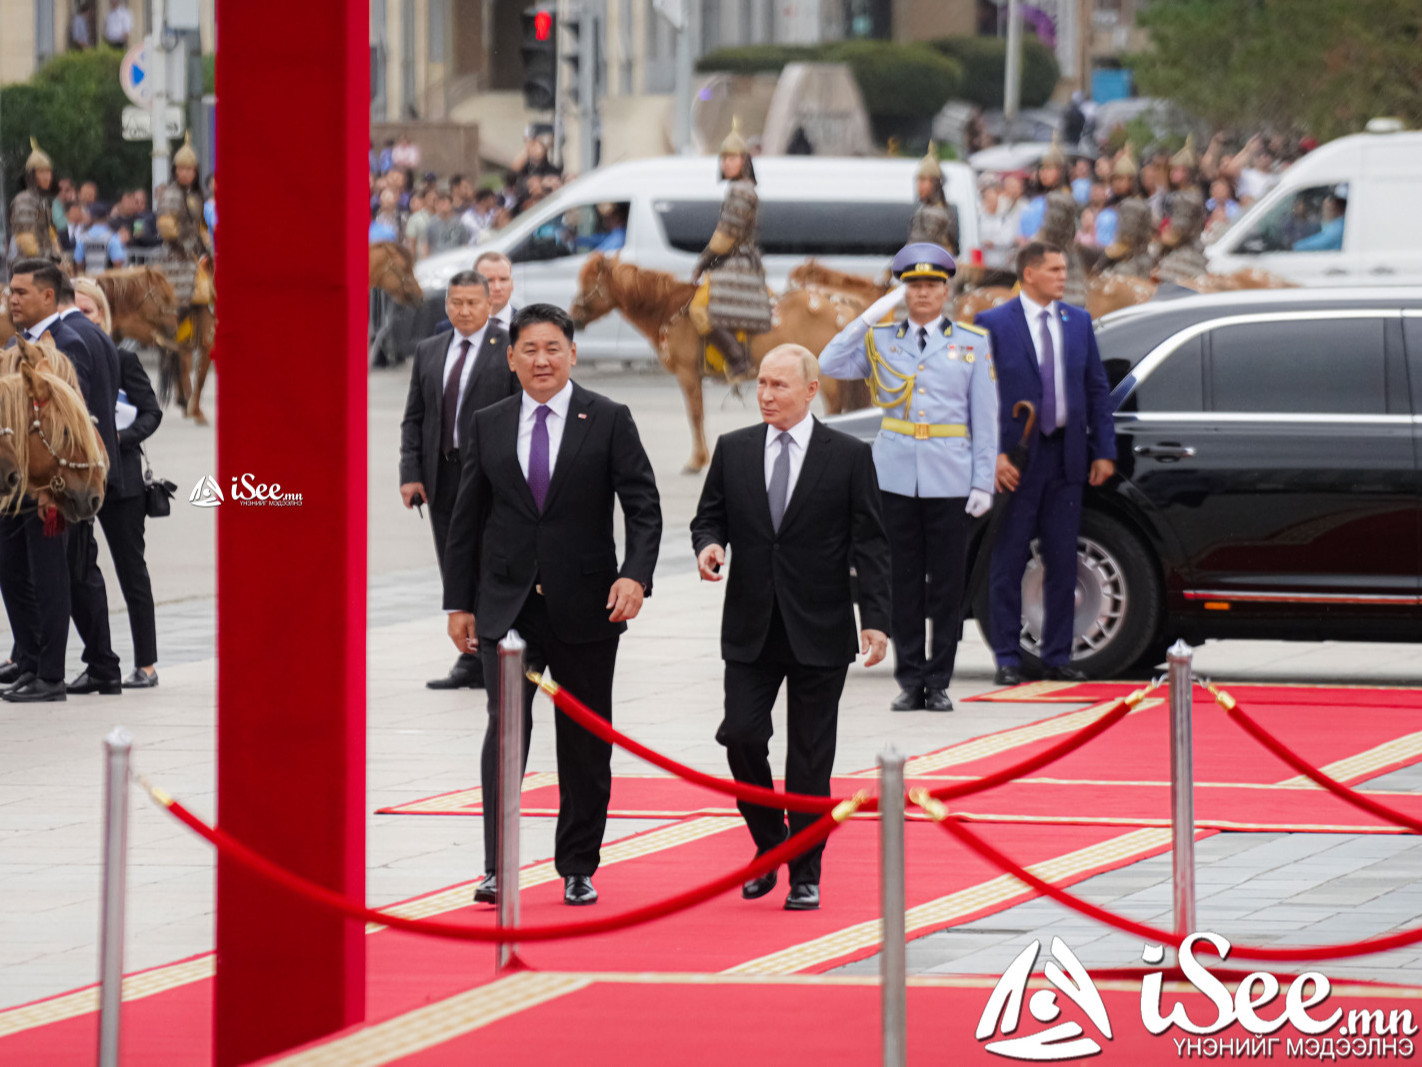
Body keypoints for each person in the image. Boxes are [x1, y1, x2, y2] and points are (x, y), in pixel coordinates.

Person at [443, 303, 661, 908]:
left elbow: (643, 506)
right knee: (505, 733)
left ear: (572, 354)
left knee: (585, 743)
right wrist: (459, 603)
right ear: (510, 358)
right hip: (507, 608)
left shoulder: (609, 419)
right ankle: (497, 864)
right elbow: (467, 521)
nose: (542, 360)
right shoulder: (488, 423)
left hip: (589, 608)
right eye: (529, 350)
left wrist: (635, 577)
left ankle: (578, 865)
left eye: (553, 349)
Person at [690, 345, 890, 911]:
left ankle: (805, 873)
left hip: (820, 627)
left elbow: (871, 543)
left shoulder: (848, 456)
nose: (767, 396)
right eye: (761, 385)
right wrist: (709, 545)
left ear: (810, 389)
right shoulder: (734, 450)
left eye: (779, 385)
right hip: (751, 625)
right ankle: (771, 843)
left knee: (809, 759)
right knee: (741, 736)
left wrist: (874, 620)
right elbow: (710, 515)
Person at [819, 243, 997, 712]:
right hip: (895, 475)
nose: (923, 293)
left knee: (947, 584)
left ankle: (938, 680)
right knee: (900, 581)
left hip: (950, 475)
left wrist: (982, 482)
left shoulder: (971, 344)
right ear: (903, 290)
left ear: (945, 291)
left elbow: (986, 420)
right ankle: (909, 677)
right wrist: (868, 318)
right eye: (913, 285)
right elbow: (828, 363)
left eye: (932, 285)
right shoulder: (882, 340)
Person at [976, 243, 1116, 686]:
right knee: (1009, 558)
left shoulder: (1078, 323)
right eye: (1054, 269)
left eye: (1064, 268)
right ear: (1030, 273)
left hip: (1066, 457)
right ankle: (1006, 657)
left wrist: (1103, 451)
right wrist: (994, 454)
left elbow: (1096, 389)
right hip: (1017, 460)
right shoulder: (993, 324)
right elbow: (978, 397)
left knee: (1062, 559)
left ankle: (1057, 655)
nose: (1063, 276)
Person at [0, 261, 116, 702]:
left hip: (53, 486)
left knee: (55, 580)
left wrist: (57, 485)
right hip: (22, 485)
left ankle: (51, 674)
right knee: (18, 575)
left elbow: (73, 423)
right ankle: (31, 661)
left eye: (21, 292)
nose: (12, 299)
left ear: (48, 296)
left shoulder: (66, 343)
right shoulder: (21, 343)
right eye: (10, 291)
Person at [400, 271, 518, 691]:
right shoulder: (429, 350)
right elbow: (415, 418)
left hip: (490, 477)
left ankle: (496, 650)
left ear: (490, 304)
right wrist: (410, 474)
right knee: (453, 563)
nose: (464, 311)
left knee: (490, 561)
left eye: (472, 303)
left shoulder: (507, 348)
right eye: (456, 303)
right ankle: (467, 656)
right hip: (441, 476)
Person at [74, 277, 162, 688]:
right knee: (77, 570)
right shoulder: (66, 358)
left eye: (86, 312)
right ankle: (97, 661)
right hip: (77, 480)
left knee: (131, 571)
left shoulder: (123, 358)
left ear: (102, 314)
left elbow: (151, 413)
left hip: (121, 481)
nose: (80, 321)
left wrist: (117, 439)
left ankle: (146, 664)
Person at [689, 119, 772, 380]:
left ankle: (738, 361)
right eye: (723, 158)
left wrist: (703, 262)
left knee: (698, 309)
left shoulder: (741, 191)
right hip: (733, 259)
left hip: (739, 262)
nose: (726, 163)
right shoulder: (738, 189)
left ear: (744, 161)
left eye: (732, 158)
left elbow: (725, 236)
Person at [154, 136, 215, 394]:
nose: (185, 173)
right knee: (176, 320)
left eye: (189, 169)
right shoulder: (170, 195)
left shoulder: (198, 197)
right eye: (181, 169)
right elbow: (168, 230)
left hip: (197, 264)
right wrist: (189, 251)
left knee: (206, 315)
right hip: (177, 264)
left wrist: (208, 251)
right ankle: (179, 380)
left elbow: (201, 228)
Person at [8, 139, 59, 262]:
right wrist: (48, 258)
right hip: (29, 267)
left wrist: (58, 254)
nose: (47, 177)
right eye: (42, 172)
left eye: (48, 172)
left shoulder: (42, 201)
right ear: (31, 175)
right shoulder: (24, 200)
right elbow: (26, 241)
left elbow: (50, 235)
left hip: (45, 265)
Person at [908, 144, 959, 256]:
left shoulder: (942, 214)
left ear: (935, 184)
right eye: (918, 180)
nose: (919, 186)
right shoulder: (922, 211)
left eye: (924, 180)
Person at [474, 251, 517, 330]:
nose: (497, 287)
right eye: (489, 280)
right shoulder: (452, 328)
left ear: (512, 284)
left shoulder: (530, 327)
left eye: (503, 279)